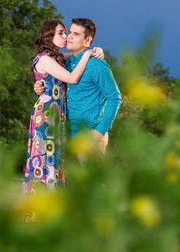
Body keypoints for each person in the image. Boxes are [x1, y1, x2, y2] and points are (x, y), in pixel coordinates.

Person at [23, 19, 102, 191]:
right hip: (46, 117)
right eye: (60, 33)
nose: (65, 36)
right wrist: (88, 54)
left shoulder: (56, 58)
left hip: (56, 115)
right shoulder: (45, 60)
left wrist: (95, 50)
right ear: (49, 36)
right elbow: (73, 78)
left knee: (56, 160)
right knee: (45, 160)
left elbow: (76, 57)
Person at [35, 18, 121, 153]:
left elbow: (114, 98)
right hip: (69, 134)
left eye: (76, 34)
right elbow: (54, 85)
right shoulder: (66, 63)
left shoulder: (96, 64)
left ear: (87, 40)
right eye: (69, 32)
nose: (69, 36)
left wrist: (98, 132)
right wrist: (39, 86)